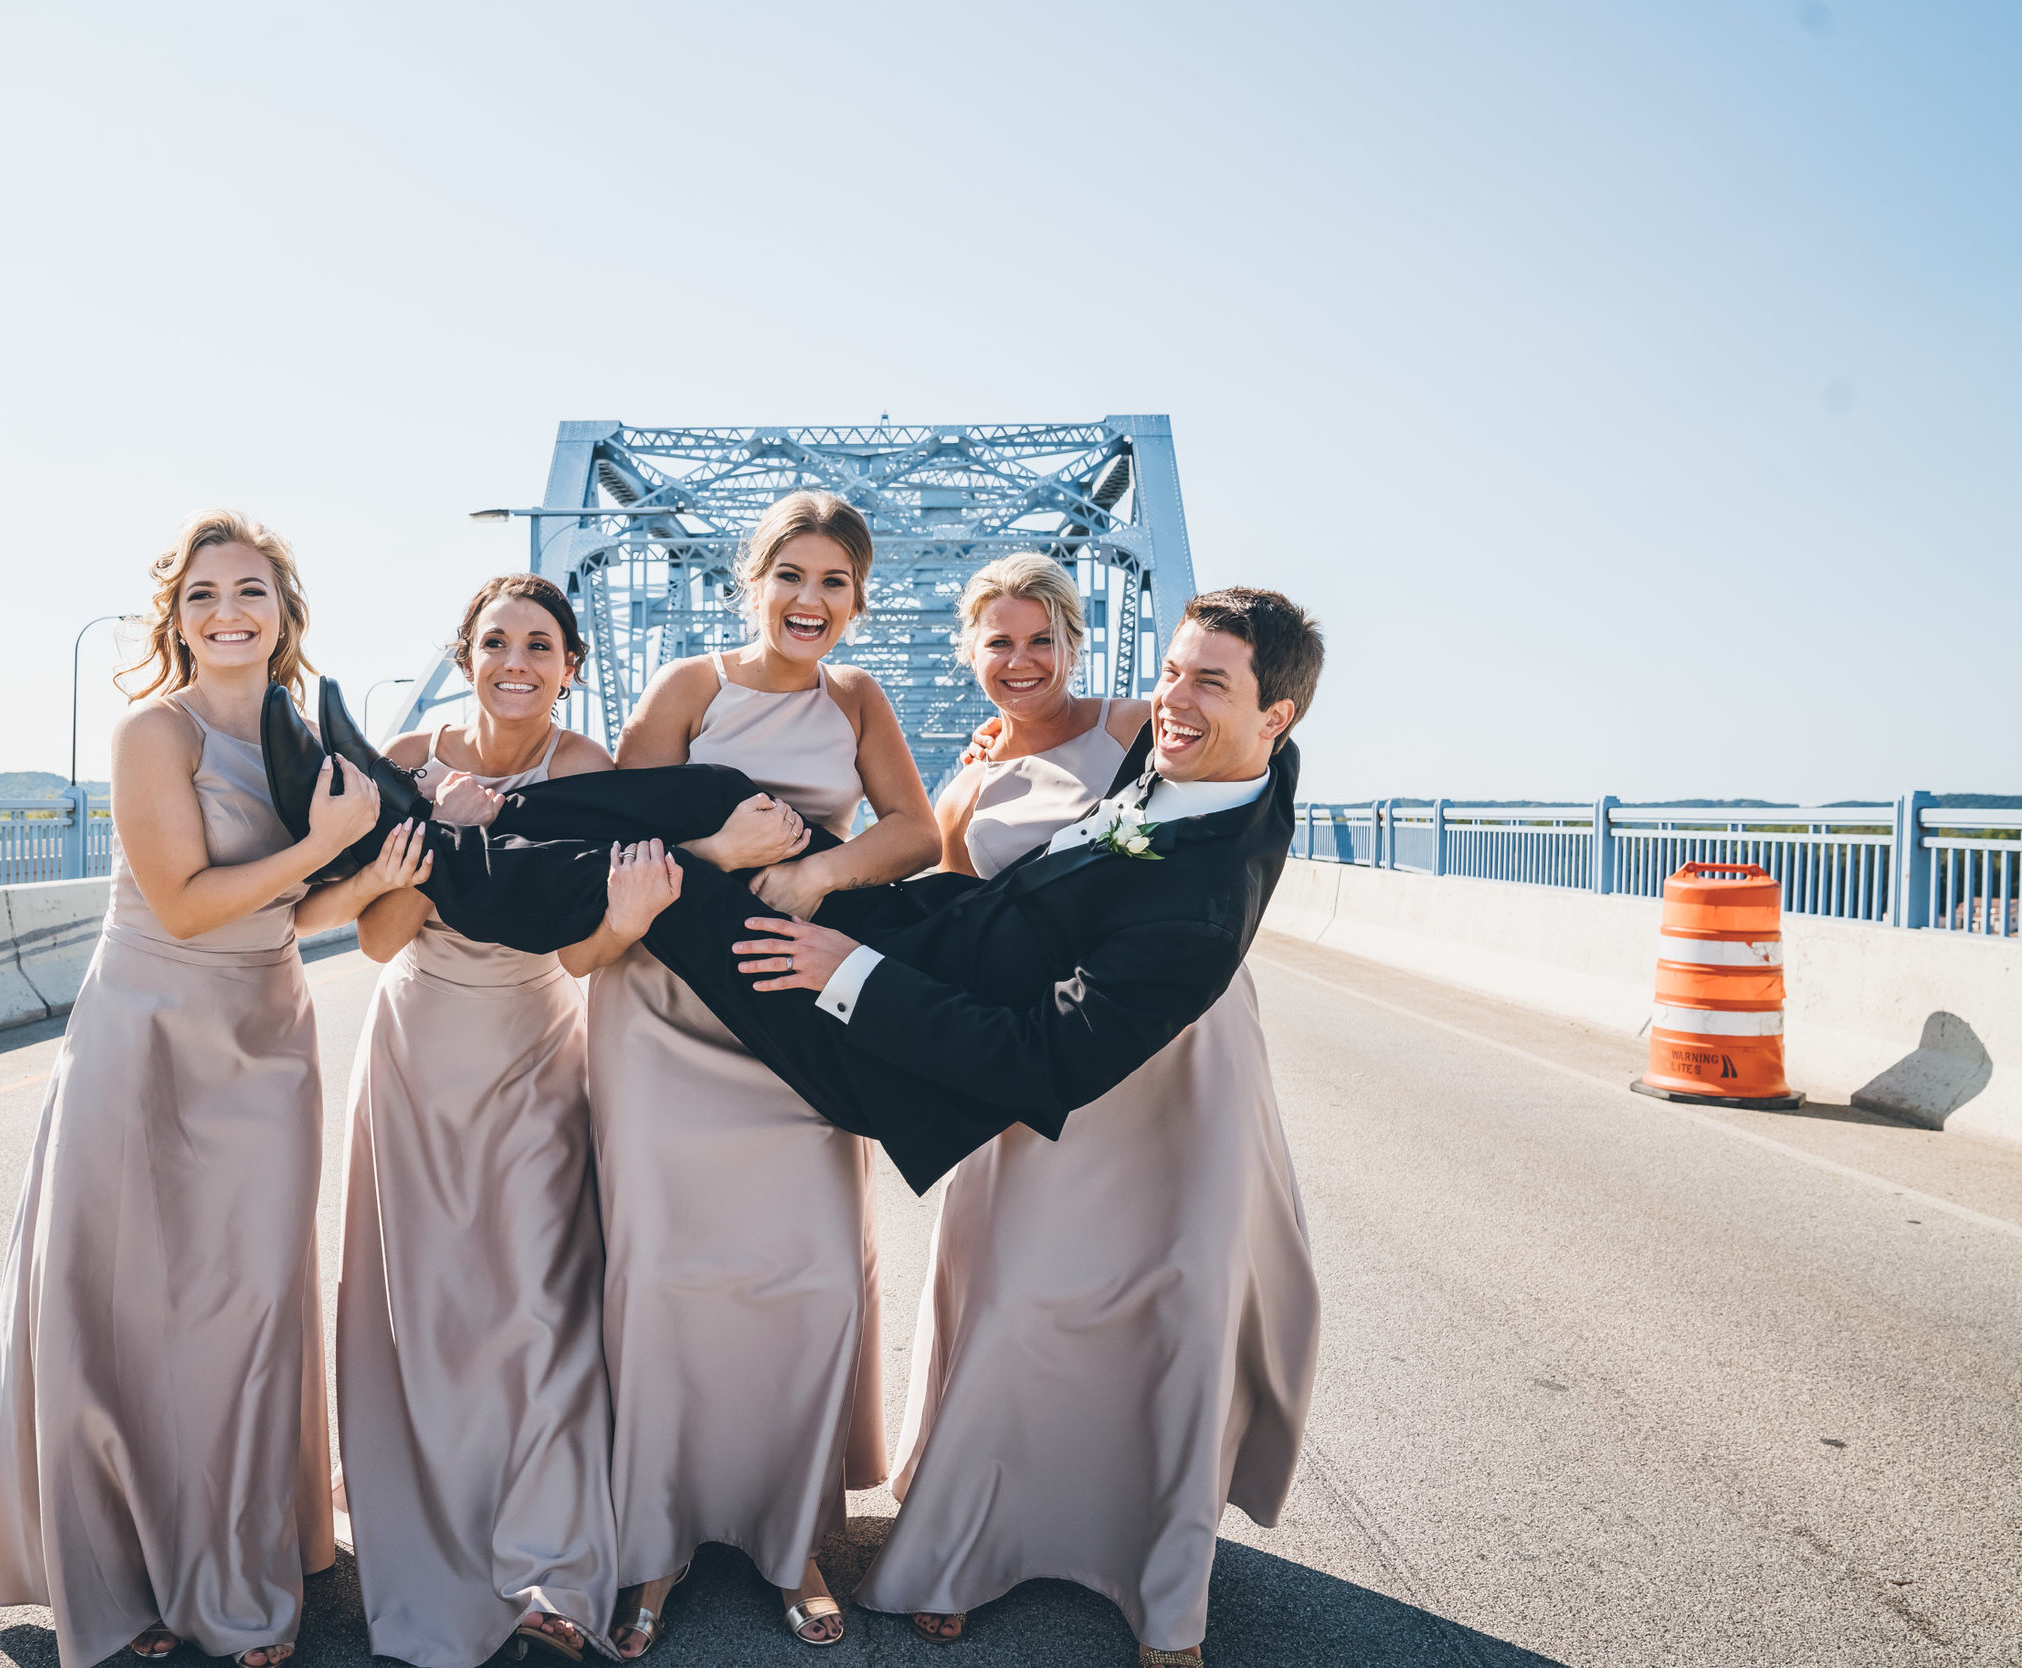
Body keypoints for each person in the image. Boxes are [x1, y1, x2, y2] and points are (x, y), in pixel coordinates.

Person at [259, 587, 1316, 1199]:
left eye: (1205, 685)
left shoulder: (1201, 903)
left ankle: (439, 847)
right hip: (919, 933)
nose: (1170, 700)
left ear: (1276, 714)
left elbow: (1044, 1061)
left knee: (668, 883)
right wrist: (1031, 726)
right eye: (1171, 671)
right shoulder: (1237, 768)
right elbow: (1140, 736)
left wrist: (847, 973)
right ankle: (479, 810)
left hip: (882, 1040)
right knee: (723, 791)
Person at [854, 563, 1321, 1667]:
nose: (1018, 664)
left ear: (1072, 645)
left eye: (1039, 643)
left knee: (1176, 1296)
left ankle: (1157, 1564)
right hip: (1044, 1044)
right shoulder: (966, 786)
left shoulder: (1130, 728)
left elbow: (1245, 772)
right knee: (1023, 1286)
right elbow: (975, 919)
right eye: (996, 644)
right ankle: (966, 1532)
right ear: (968, 654)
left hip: (1184, 1058)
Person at [0, 510, 406, 1668]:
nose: (229, 612)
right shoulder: (149, 733)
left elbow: (296, 918)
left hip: (266, 1025)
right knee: (131, 1302)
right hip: (147, 1028)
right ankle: (137, 1573)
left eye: (251, 592)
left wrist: (383, 864)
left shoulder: (305, 742)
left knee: (252, 1298)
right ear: (177, 615)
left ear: (285, 614)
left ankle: (238, 1564)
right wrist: (324, 846)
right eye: (205, 594)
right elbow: (185, 902)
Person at [571, 491, 941, 1654]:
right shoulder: (690, 686)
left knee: (812, 1279)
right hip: (665, 1025)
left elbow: (916, 832)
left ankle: (794, 1546)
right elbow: (612, 844)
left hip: (795, 1025)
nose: (810, 600)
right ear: (753, 579)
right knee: (664, 1284)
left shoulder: (857, 699)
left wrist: (822, 880)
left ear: (857, 599)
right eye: (792, 574)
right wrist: (724, 852)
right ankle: (651, 1554)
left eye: (835, 581)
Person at [331, 574, 625, 1668]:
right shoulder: (406, 762)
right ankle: (435, 1531)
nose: (517, 662)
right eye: (496, 642)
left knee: (541, 1304)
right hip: (415, 1048)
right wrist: (444, 839)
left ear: (570, 665)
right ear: (465, 655)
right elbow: (370, 938)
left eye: (540, 645)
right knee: (433, 1308)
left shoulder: (590, 769)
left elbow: (597, 934)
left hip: (537, 1048)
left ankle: (549, 1564)